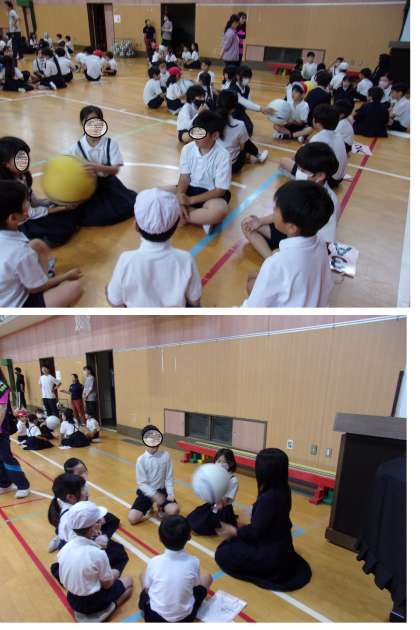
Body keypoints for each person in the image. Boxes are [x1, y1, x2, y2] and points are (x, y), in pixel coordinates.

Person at [215, 448, 312, 591]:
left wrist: (234, 531)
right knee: (231, 543)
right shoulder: (284, 488)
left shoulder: (269, 498)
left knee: (223, 552)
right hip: (282, 544)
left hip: (270, 554)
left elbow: (256, 532)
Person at [242, 180, 334, 307]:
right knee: (253, 279)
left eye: (276, 209)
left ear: (291, 228)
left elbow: (251, 310)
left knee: (252, 284)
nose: (273, 210)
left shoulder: (276, 264)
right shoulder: (321, 243)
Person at [107, 188, 201, 308]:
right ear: (177, 224)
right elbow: (194, 301)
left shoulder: (126, 260)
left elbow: (114, 301)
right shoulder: (186, 259)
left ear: (136, 226)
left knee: (109, 290)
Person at [244, 142, 339, 257]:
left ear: (320, 176)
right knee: (247, 224)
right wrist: (260, 221)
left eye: (303, 170)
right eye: (298, 168)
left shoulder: (327, 202)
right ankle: (270, 259)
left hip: (304, 246)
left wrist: (293, 251)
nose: (298, 173)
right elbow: (282, 212)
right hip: (289, 232)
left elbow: (326, 242)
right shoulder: (301, 186)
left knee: (279, 253)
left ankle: (277, 259)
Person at [0, 180, 82, 307]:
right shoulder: (20, 252)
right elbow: (33, 289)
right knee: (74, 288)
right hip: (14, 306)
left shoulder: (12, 241)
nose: (28, 206)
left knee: (37, 244)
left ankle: (41, 279)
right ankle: (42, 283)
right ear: (13, 218)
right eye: (25, 205)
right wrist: (66, 276)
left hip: (7, 291)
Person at [57, 501, 133, 618]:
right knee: (128, 581)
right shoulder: (98, 553)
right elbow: (107, 585)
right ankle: (107, 610)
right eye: (98, 520)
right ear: (94, 527)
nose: (102, 521)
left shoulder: (65, 548)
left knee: (108, 574)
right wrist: (112, 575)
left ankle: (95, 609)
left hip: (72, 599)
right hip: (92, 602)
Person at [0, 136, 80, 246]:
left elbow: (33, 201)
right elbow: (29, 213)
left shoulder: (22, 176)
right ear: (5, 163)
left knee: (67, 214)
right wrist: (60, 208)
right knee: (60, 227)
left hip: (28, 214)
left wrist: (53, 202)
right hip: (20, 222)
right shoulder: (8, 187)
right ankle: (33, 241)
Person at [67, 105, 136, 226]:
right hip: (89, 189)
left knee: (127, 206)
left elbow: (115, 170)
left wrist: (98, 168)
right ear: (82, 123)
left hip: (109, 185)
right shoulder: (76, 149)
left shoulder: (110, 143)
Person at [139, 515, 212, 622]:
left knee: (143, 574)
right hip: (185, 619)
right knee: (207, 577)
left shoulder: (154, 562)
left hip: (154, 618)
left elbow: (147, 585)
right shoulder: (194, 561)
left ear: (160, 539)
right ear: (189, 537)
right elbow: (195, 585)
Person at [176, 110, 232, 232]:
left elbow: (220, 191)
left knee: (220, 211)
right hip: (190, 189)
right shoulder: (187, 149)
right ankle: (195, 216)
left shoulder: (223, 155)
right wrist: (181, 198)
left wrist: (190, 200)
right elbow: (184, 178)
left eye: (200, 133)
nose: (195, 137)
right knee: (158, 193)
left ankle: (180, 215)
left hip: (211, 195)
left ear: (215, 136)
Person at [128, 424, 179, 525]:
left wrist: (170, 493)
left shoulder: (166, 456)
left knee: (174, 510)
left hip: (162, 490)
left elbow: (169, 477)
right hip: (147, 492)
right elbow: (142, 483)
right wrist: (154, 495)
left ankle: (160, 507)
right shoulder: (141, 460)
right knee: (132, 519)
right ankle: (150, 504)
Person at [188, 449, 238, 535]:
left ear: (230, 464)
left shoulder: (233, 480)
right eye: (218, 461)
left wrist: (214, 488)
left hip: (223, 508)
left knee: (198, 527)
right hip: (213, 504)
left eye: (224, 462)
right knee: (191, 519)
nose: (220, 464)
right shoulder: (214, 475)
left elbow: (223, 502)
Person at [0, 367, 30, 498]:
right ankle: (5, 484)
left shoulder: (1, 386)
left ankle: (23, 485)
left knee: (6, 457)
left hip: (1, 429)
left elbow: (2, 408)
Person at [310, 104, 347, 188]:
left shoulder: (317, 138)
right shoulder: (338, 135)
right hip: (339, 178)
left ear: (318, 124)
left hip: (327, 180)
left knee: (285, 162)